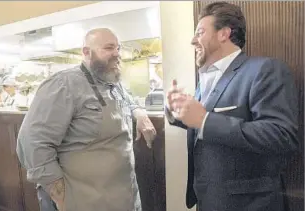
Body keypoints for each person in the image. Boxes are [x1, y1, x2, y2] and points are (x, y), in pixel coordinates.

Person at [165, 2, 299, 211]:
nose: (193, 40)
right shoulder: (205, 80)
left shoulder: (264, 70)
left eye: (200, 32)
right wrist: (179, 113)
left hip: (250, 204)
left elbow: (281, 135)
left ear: (224, 34)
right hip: (208, 199)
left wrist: (204, 119)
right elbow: (204, 127)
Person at [16, 28, 156, 211]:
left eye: (118, 48)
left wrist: (139, 112)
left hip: (125, 198)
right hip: (83, 202)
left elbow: (128, 99)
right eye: (108, 48)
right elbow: (32, 143)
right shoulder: (63, 85)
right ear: (86, 52)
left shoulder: (112, 82)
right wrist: (60, 196)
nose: (117, 54)